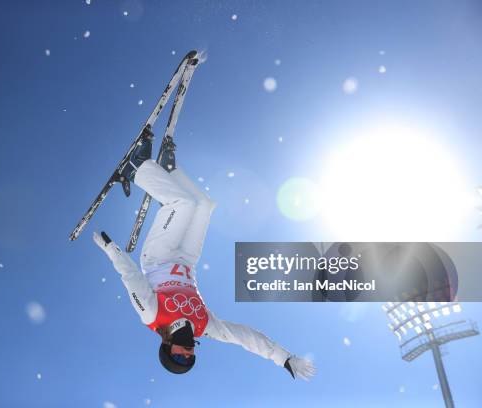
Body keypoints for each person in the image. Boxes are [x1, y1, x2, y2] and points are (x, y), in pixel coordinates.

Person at [93, 133, 315, 379]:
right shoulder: (204, 327)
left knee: (181, 204)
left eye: (179, 357)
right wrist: (282, 357)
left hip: (158, 257)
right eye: (190, 359)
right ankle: (169, 170)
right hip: (187, 259)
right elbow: (244, 337)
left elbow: (131, 277)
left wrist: (111, 250)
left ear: (167, 348)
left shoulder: (152, 315)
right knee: (204, 205)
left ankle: (134, 168)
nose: (187, 354)